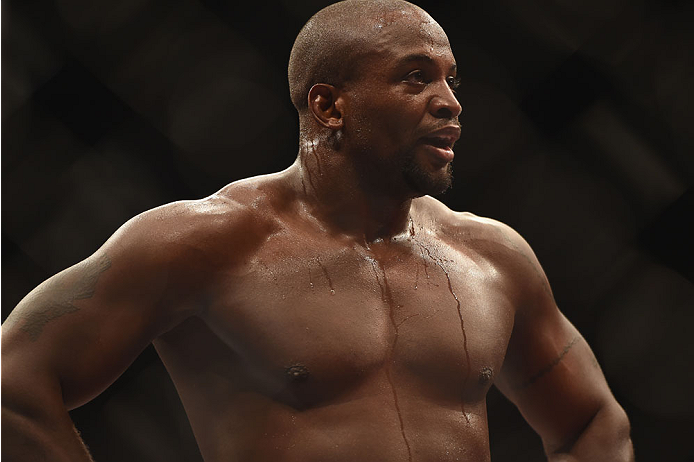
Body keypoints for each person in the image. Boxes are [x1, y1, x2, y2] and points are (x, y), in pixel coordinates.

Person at [1, 1, 634, 461]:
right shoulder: (207, 244)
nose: (450, 101)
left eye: (451, 79)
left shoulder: (493, 257)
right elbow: (13, 381)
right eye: (416, 76)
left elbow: (592, 423)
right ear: (330, 105)